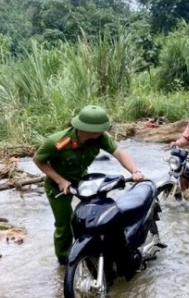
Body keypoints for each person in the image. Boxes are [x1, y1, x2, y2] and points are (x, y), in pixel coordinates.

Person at [33, 105, 145, 265]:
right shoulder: (58, 142)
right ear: (89, 129)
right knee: (63, 224)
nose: (103, 131)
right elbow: (38, 160)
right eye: (101, 128)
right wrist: (60, 180)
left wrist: (135, 171)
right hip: (57, 185)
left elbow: (119, 153)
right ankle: (65, 261)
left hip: (83, 181)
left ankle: (97, 249)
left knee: (96, 213)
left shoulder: (100, 138)